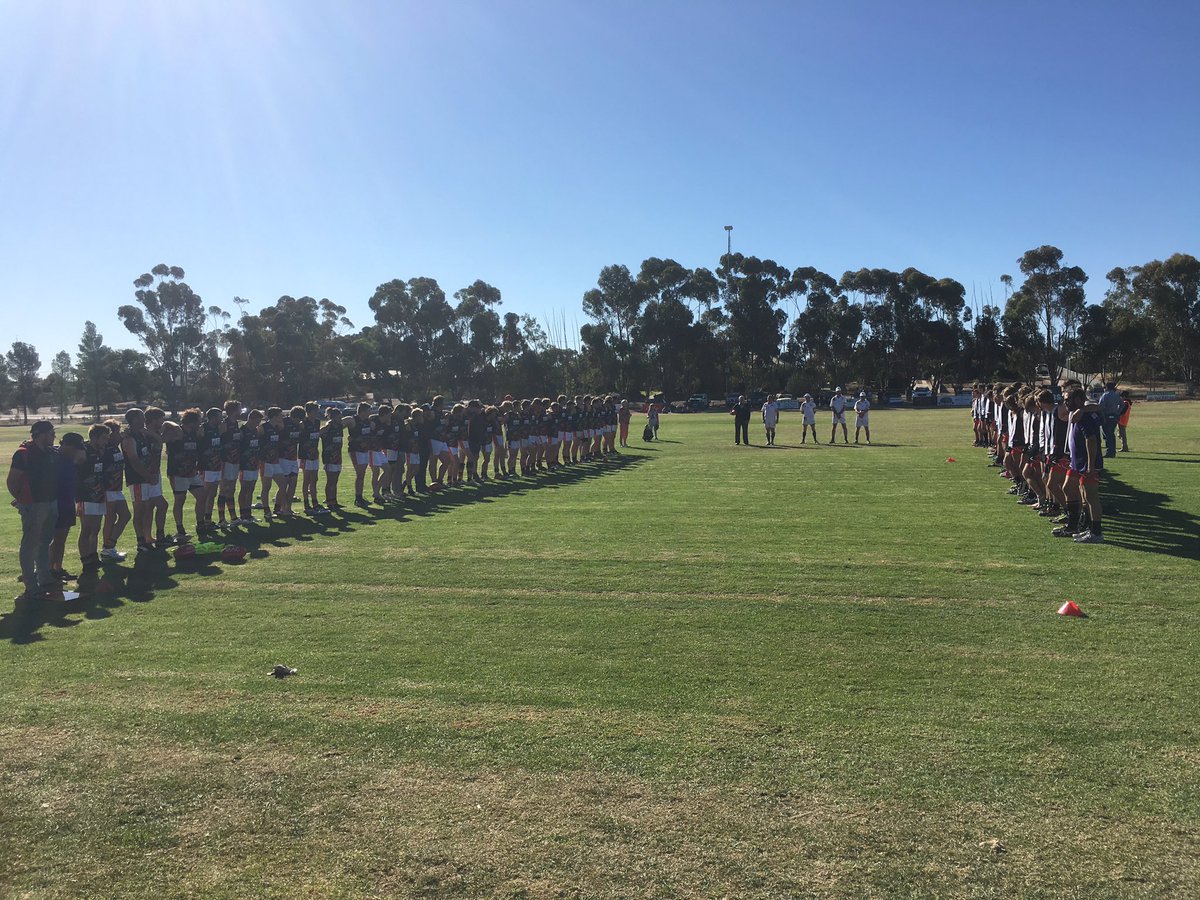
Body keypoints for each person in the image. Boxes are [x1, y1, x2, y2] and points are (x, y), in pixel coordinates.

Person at [8, 421, 60, 600]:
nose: (54, 436)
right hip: (33, 504)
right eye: (52, 433)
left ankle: (44, 577)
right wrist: (23, 501)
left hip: (51, 502)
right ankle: (31, 584)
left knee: (45, 540)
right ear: (42, 434)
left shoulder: (50, 452)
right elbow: (12, 480)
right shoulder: (24, 454)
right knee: (30, 543)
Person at [1067, 388, 1106, 544]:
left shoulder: (1083, 417)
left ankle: (1096, 533)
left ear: (1077, 399)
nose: (1065, 403)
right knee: (1085, 495)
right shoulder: (1079, 414)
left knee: (1091, 496)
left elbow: (1091, 441)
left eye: (1067, 399)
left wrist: (1090, 465)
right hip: (1081, 464)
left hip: (1088, 465)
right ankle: (1090, 529)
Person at [49, 432, 83, 583]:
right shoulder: (54, 457)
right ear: (68, 445)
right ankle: (49, 569)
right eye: (75, 447)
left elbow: (81, 457)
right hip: (57, 503)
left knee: (61, 539)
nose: (77, 451)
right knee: (55, 539)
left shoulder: (69, 458)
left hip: (68, 502)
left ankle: (57, 567)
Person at [75, 424, 110, 571]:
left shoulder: (102, 451)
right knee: (86, 529)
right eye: (103, 438)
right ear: (94, 438)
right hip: (85, 496)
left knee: (95, 528)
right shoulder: (84, 450)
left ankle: (93, 556)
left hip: (99, 495)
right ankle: (85, 560)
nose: (106, 441)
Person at [100, 419, 130, 561]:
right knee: (110, 519)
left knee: (125, 516)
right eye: (117, 432)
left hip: (117, 488)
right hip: (108, 489)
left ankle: (109, 545)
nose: (120, 435)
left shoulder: (115, 446)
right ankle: (107, 549)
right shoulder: (104, 449)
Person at [1098, 382, 1122, 458]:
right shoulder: (1116, 395)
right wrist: (1118, 412)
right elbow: (1122, 404)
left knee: (1107, 434)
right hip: (1114, 416)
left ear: (1107, 388)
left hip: (1106, 416)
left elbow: (1100, 407)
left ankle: (1109, 451)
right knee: (1111, 433)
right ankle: (1112, 451)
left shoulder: (1105, 395)